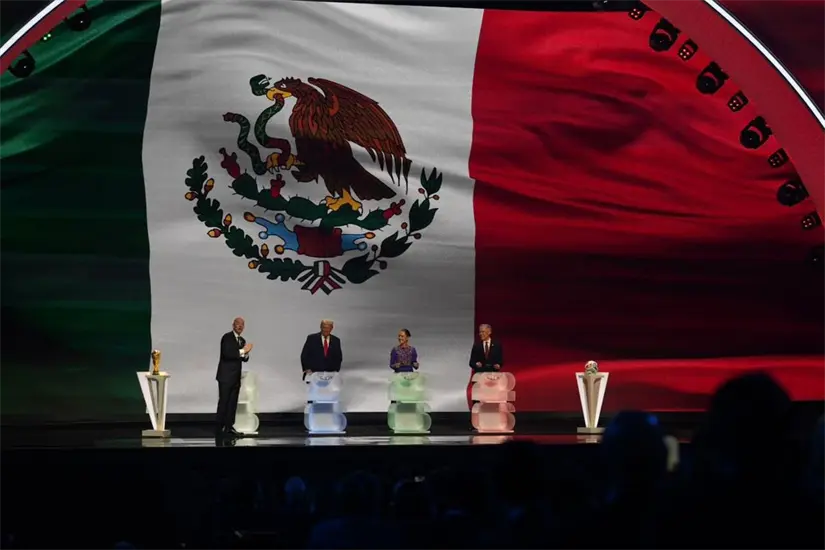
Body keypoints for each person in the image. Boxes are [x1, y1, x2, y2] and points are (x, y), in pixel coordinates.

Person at [216, 317, 252, 437]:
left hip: (236, 377)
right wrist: (243, 351)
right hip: (225, 377)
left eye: (242, 324)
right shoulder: (227, 337)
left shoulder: (242, 340)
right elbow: (228, 354)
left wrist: (246, 354)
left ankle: (229, 427)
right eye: (238, 324)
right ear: (233, 325)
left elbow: (242, 358)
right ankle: (219, 428)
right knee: (224, 402)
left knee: (232, 404)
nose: (240, 326)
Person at [467, 323, 503, 408]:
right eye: (480, 332)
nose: (481, 334)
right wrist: (476, 364)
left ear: (489, 332)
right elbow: (471, 362)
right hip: (479, 377)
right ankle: (476, 417)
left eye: (483, 332)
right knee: (478, 401)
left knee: (491, 400)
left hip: (492, 377)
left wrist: (498, 365)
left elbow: (501, 360)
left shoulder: (497, 345)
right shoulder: (477, 346)